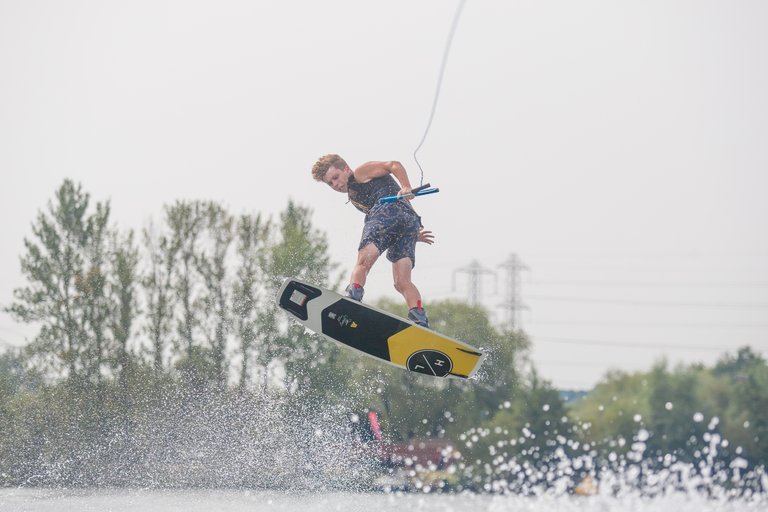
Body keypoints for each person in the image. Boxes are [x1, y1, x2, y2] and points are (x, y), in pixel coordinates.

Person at [311, 154, 434, 327]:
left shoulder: (360, 173)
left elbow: (393, 164)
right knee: (402, 282)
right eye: (330, 183)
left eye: (336, 177)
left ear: (346, 168)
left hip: (386, 212)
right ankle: (419, 317)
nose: (336, 184)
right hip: (408, 223)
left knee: (362, 263)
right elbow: (398, 218)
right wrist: (412, 233)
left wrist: (406, 186)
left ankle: (352, 299)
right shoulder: (353, 195)